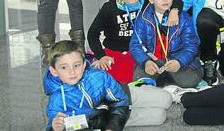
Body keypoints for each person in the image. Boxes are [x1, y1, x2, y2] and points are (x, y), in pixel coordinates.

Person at [44, 40, 173, 131]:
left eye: (76, 65)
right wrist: (56, 128)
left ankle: (139, 85)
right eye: (64, 67)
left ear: (84, 65)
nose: (71, 72)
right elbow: (55, 124)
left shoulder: (98, 76)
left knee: (166, 98)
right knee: (159, 117)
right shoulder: (57, 100)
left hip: (122, 95)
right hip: (106, 118)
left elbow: (120, 101)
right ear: (54, 70)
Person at [130, 0, 203, 88]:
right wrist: (146, 62)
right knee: (139, 80)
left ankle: (165, 80)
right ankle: (166, 80)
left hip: (176, 59)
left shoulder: (184, 18)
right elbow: (135, 45)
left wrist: (179, 61)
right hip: (153, 60)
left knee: (189, 81)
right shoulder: (143, 18)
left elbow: (191, 45)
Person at [87, 0, 146, 83]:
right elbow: (92, 33)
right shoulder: (109, 8)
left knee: (140, 80)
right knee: (105, 81)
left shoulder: (147, 7)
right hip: (112, 53)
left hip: (138, 53)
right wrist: (101, 55)